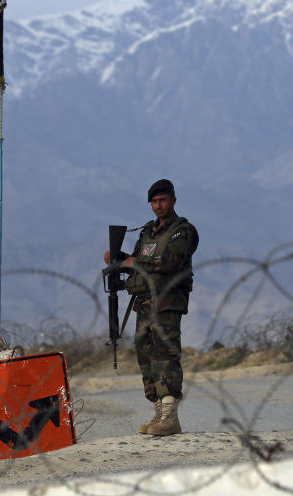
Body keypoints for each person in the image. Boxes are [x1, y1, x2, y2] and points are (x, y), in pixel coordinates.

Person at [103, 178, 199, 436]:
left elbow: (171, 262)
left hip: (167, 302)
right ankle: (159, 411)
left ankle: (170, 416)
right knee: (146, 354)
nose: (158, 206)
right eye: (154, 202)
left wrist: (133, 261)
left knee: (165, 354)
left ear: (173, 200)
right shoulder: (147, 232)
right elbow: (137, 261)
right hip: (144, 303)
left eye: (163, 200)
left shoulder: (183, 230)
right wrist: (118, 259)